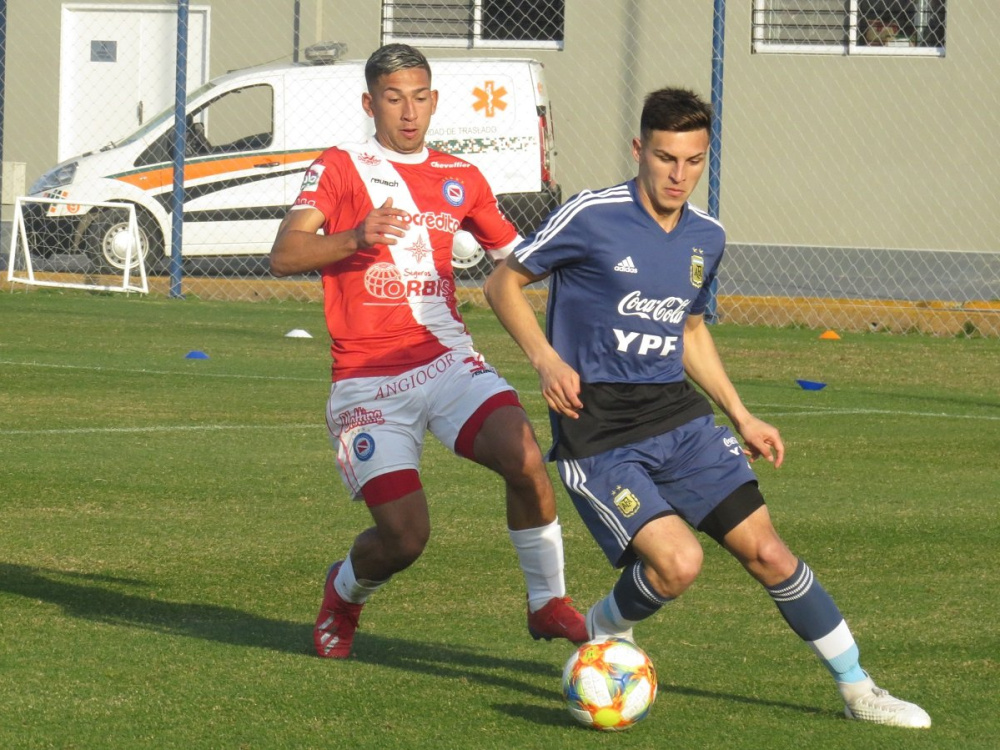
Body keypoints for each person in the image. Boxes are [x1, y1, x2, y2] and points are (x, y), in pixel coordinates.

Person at [483, 87, 931, 728]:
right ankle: (604, 628)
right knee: (678, 564)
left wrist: (742, 414)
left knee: (769, 552)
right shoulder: (591, 214)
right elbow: (503, 282)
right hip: (598, 427)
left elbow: (690, 331)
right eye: (665, 158)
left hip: (678, 416)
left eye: (693, 161)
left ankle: (860, 691)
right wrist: (546, 360)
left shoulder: (706, 236)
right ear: (639, 150)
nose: (679, 174)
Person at [269, 43, 586, 659]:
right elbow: (284, 254)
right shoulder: (340, 166)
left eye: (419, 97)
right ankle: (344, 592)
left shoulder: (462, 178)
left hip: (446, 362)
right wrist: (355, 236)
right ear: (370, 104)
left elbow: (517, 261)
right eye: (393, 99)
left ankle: (547, 601)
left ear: (434, 100)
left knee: (525, 457)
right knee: (405, 539)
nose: (408, 112)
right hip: (367, 381)